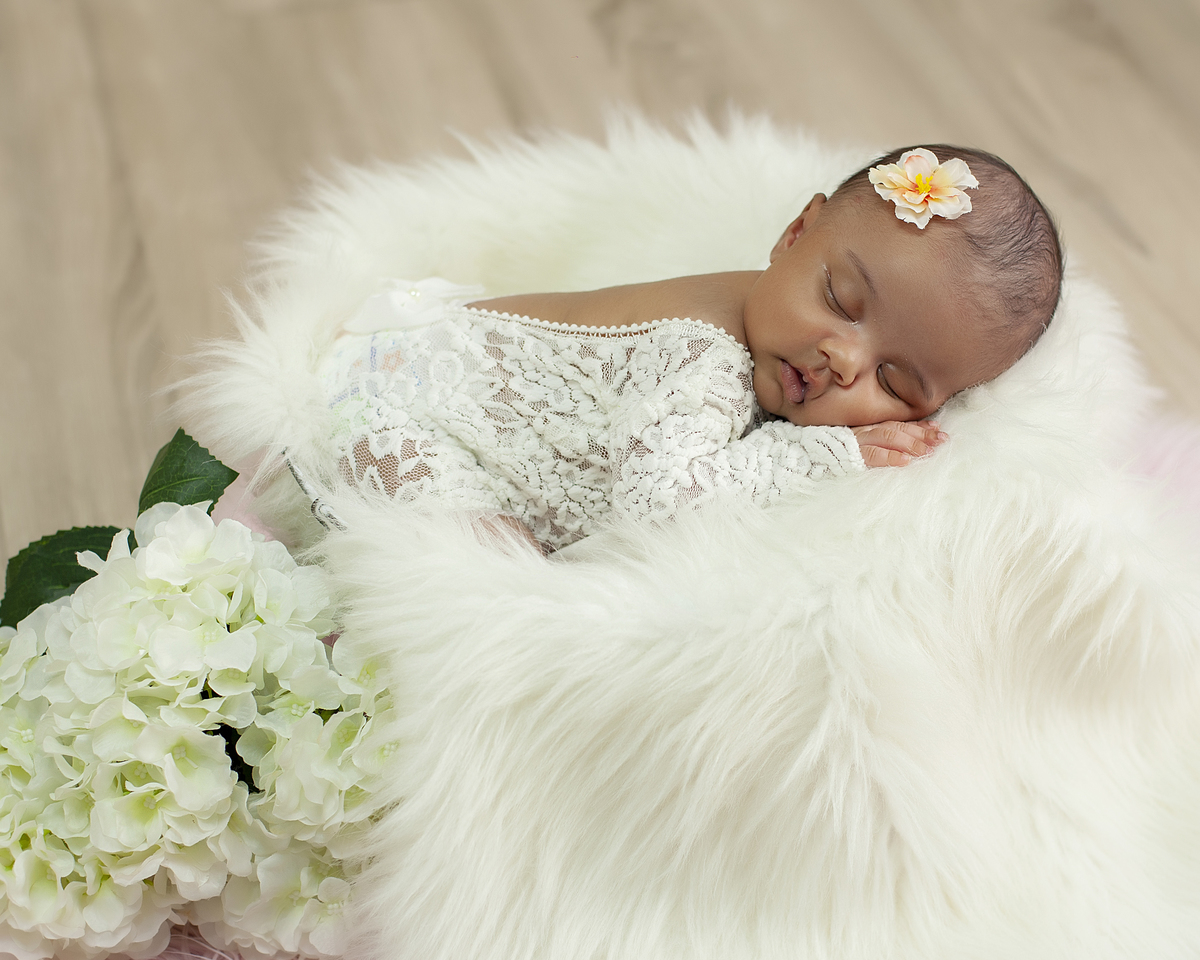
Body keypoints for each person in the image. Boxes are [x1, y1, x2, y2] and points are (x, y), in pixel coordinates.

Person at [316, 145, 1062, 551]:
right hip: (396, 409)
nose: (843, 358)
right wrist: (825, 454)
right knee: (491, 579)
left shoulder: (771, 308)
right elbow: (658, 506)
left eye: (894, 381)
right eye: (841, 300)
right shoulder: (702, 355)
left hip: (429, 381)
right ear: (795, 234)